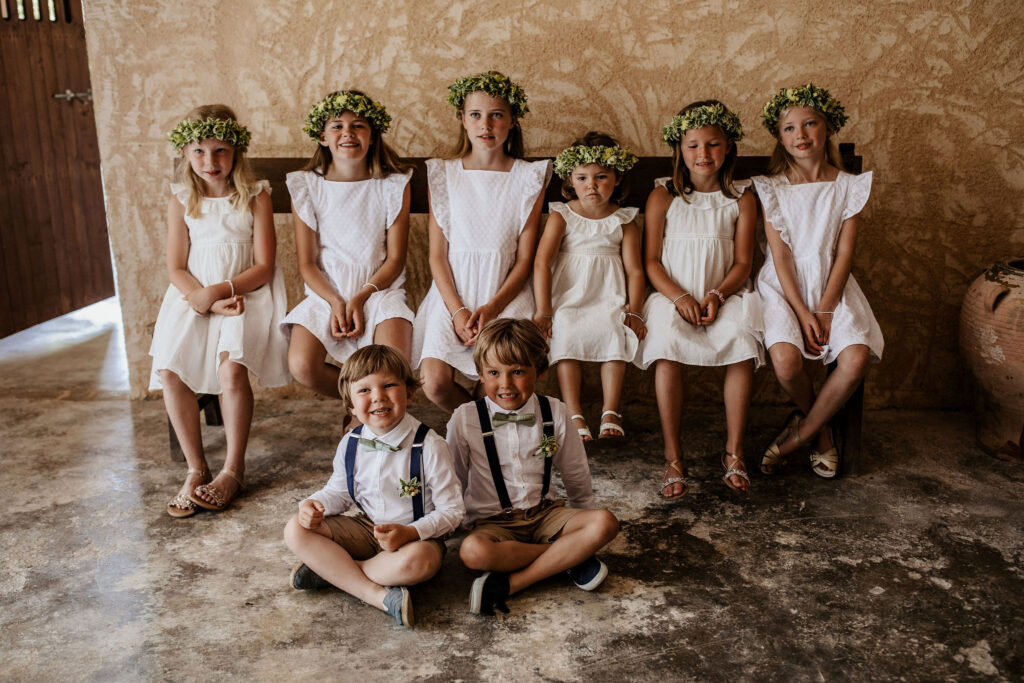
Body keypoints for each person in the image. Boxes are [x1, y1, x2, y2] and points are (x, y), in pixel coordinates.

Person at [152, 104, 289, 517]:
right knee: (170, 371)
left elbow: (264, 266)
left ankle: (233, 469)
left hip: (244, 294)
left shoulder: (256, 196)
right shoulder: (181, 199)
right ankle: (196, 468)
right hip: (194, 295)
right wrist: (204, 298)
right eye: (199, 151)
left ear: (236, 152)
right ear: (185, 153)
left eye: (220, 151)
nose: (209, 161)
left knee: (231, 369)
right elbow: (176, 267)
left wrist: (221, 291)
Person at [282, 345, 464, 628]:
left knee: (419, 563)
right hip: (367, 528)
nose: (378, 396)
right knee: (296, 529)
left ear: (409, 393)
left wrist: (411, 532)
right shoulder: (351, 443)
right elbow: (339, 493)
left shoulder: (430, 446)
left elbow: (452, 511)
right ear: (351, 406)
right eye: (364, 390)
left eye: (389, 385)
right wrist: (314, 505)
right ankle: (377, 595)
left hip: (415, 539)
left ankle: (335, 572)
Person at [753, 84, 882, 478]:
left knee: (855, 358)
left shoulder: (848, 186)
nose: (801, 135)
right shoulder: (772, 188)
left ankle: (801, 435)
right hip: (784, 287)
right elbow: (781, 256)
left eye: (810, 124)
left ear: (827, 129)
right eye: (789, 128)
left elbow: (844, 254)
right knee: (786, 363)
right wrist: (802, 311)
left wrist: (825, 310)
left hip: (832, 285)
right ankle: (822, 432)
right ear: (780, 138)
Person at [448, 319, 619, 616]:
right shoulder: (464, 418)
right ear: (480, 374)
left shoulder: (555, 411)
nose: (505, 384)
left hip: (545, 515)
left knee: (605, 522)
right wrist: (445, 524)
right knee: (472, 552)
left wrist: (584, 520)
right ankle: (568, 558)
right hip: (494, 523)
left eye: (517, 371)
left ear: (539, 371)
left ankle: (513, 583)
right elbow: (453, 478)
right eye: (493, 373)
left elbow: (575, 471)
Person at [639, 101, 764, 498]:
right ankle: (673, 456)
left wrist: (718, 294)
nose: (703, 154)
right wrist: (678, 296)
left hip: (723, 294)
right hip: (671, 295)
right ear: (680, 148)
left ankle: (734, 451)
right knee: (666, 343)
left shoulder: (741, 199)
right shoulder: (663, 196)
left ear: (729, 147)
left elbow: (743, 262)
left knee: (742, 342)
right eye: (693, 145)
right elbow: (651, 260)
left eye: (713, 144)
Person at [413, 71, 551, 411]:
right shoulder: (444, 174)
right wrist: (458, 310)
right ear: (462, 118)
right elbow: (437, 256)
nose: (485, 125)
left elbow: (524, 259)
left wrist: (493, 308)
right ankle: (478, 425)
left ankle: (488, 427)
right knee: (434, 383)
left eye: (496, 115)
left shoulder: (528, 177)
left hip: (505, 292)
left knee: (499, 383)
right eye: (475, 114)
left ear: (513, 120)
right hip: (452, 293)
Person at [282, 90, 414, 399]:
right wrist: (335, 301)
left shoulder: (393, 184)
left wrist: (362, 296)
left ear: (372, 135)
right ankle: (360, 408)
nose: (348, 133)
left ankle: (369, 413)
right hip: (326, 292)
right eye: (337, 126)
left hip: (378, 290)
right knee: (302, 365)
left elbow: (395, 259)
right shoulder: (306, 186)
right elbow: (306, 262)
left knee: (393, 366)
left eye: (358, 126)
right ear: (323, 136)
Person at [533, 132, 646, 442]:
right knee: (566, 333)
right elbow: (542, 263)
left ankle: (611, 410)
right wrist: (544, 310)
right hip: (571, 294)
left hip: (608, 293)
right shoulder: (563, 215)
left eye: (601, 177)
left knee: (615, 333)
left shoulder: (624, 220)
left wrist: (635, 310)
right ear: (571, 179)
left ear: (617, 178)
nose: (591, 185)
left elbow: (635, 270)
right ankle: (574, 412)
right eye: (582, 178)